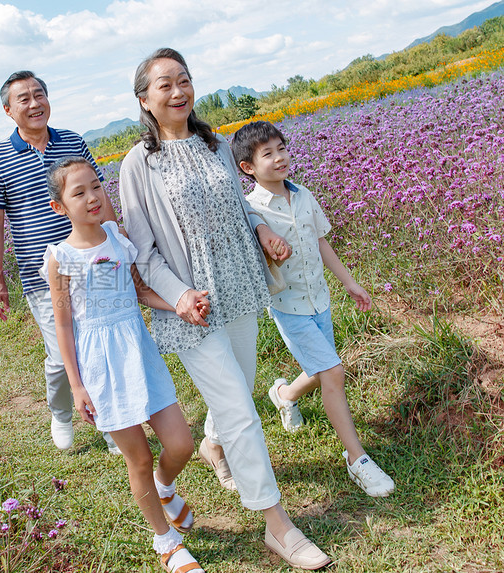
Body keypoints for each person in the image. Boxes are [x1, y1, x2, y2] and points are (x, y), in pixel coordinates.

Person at [119, 48, 331, 570]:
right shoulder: (137, 164)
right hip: (190, 309)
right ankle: (278, 526)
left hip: (239, 288)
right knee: (240, 407)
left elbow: (238, 206)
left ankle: (213, 447)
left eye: (184, 81)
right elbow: (142, 251)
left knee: (236, 390)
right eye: (164, 85)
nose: (178, 92)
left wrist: (262, 230)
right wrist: (178, 297)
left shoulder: (213, 144)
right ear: (144, 100)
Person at [41, 156, 205, 573]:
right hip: (100, 366)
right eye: (79, 193)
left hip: (139, 350)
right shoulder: (60, 257)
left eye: (96, 186)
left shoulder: (117, 236)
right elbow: (63, 325)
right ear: (60, 206)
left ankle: (164, 488)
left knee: (181, 444)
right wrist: (77, 386)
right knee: (139, 460)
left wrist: (180, 304)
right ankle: (166, 542)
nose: (93, 197)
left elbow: (140, 291)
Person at [232, 120, 395, 498]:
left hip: (319, 299)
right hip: (289, 307)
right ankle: (357, 460)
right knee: (333, 371)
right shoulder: (251, 210)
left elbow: (320, 242)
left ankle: (286, 395)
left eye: (282, 148)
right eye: (268, 154)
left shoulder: (303, 194)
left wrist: (350, 283)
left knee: (321, 369)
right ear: (248, 168)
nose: (280, 158)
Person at [0, 70, 119, 453]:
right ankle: (62, 412)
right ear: (9, 111)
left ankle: (110, 422)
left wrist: (116, 241)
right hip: (43, 274)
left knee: (101, 341)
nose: (34, 103)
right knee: (62, 353)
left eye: (39, 94)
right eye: (23, 98)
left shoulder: (73, 141)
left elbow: (98, 195)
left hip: (94, 261)